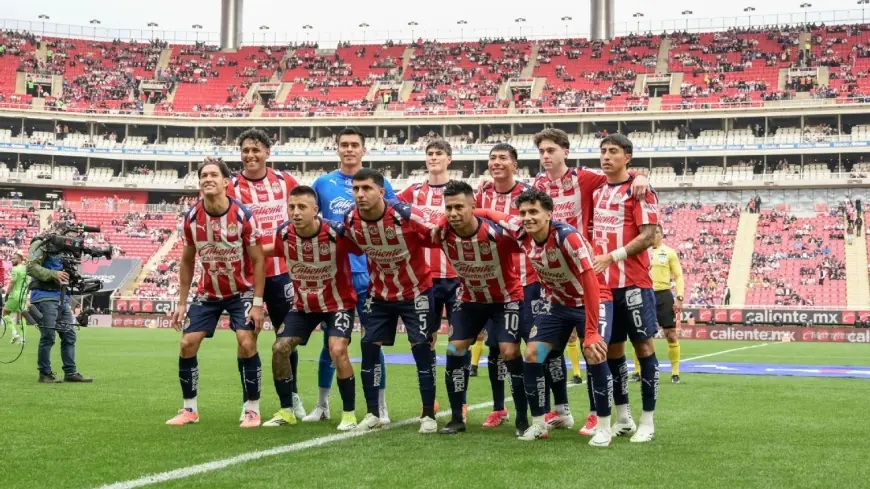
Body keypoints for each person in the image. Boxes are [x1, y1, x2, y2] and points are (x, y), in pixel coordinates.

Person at [532, 128, 649, 435]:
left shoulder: (586, 179)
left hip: (587, 272)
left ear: (565, 152)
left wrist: (639, 175)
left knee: (594, 346)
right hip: (555, 279)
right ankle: (561, 411)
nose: (546, 156)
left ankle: (599, 413)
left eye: (551, 150)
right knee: (547, 350)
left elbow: (618, 175)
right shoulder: (538, 184)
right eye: (542, 151)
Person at [474, 189, 610, 444]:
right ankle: (538, 424)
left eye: (534, 212)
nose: (527, 217)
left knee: (594, 352)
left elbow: (590, 281)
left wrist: (591, 331)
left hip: (592, 299)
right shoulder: (520, 231)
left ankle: (603, 426)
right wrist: (462, 214)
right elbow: (492, 213)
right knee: (533, 354)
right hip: (558, 304)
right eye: (523, 212)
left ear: (549, 214)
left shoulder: (567, 237)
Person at [165, 158, 266, 428]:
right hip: (208, 293)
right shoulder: (191, 217)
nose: (207, 179)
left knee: (246, 342)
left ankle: (251, 409)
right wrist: (182, 302)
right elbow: (187, 261)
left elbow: (258, 261)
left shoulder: (243, 215)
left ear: (226, 182)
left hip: (241, 292)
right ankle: (189, 409)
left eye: (213, 175)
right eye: (203, 176)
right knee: (187, 344)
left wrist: (257, 304)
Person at [343, 168, 438, 434]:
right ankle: (373, 413)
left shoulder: (404, 214)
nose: (360, 194)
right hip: (379, 293)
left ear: (382, 192)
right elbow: (350, 246)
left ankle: (428, 414)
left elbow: (438, 234)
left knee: (421, 348)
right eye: (356, 189)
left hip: (416, 291)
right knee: (368, 346)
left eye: (367, 188)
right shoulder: (350, 219)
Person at [310, 127, 394, 424]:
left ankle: (380, 407)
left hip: (371, 275)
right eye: (344, 145)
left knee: (373, 342)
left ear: (363, 150)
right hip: (334, 276)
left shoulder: (377, 182)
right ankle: (322, 405)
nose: (349, 149)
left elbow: (393, 219)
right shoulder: (322, 184)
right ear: (337, 149)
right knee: (329, 343)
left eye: (354, 145)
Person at [433, 180, 528, 436]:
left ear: (473, 205)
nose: (453, 214)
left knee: (509, 352)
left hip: (505, 300)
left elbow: (524, 229)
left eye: (459, 207)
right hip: (470, 300)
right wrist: (440, 222)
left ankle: (522, 419)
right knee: (454, 350)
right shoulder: (443, 234)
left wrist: (485, 213)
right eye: (449, 208)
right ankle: (456, 418)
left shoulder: (497, 234)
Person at [261, 186, 359, 430]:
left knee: (337, 350)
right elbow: (275, 250)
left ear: (315, 210)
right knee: (279, 347)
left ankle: (349, 414)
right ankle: (287, 411)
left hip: (338, 304)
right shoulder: (283, 233)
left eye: (302, 207)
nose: (295, 212)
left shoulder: (336, 232)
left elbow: (362, 248)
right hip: (304, 306)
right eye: (291, 207)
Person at [226, 128, 305, 420]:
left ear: (267, 153)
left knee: (287, 337)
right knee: (246, 338)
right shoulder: (231, 186)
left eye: (256, 150)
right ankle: (249, 401)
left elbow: (305, 214)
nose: (250, 155)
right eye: (246, 150)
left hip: (283, 274)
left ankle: (292, 396)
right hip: (247, 277)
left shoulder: (286, 182)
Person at [591, 134, 660, 443]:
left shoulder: (640, 191)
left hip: (633, 282)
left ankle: (648, 421)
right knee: (612, 351)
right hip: (604, 287)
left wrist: (613, 256)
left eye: (613, 152)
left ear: (627, 157)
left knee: (644, 347)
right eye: (603, 151)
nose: (606, 156)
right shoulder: (597, 191)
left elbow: (648, 235)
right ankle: (623, 417)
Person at [472, 143, 540, 428]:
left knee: (540, 347)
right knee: (497, 349)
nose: (496, 162)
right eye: (492, 158)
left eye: (503, 158)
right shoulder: (482, 193)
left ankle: (553, 407)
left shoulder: (528, 193)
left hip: (529, 281)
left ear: (515, 165)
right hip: (494, 286)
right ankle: (499, 408)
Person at [398, 139, 459, 412]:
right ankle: (430, 400)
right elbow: (390, 211)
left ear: (449, 159)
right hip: (424, 280)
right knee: (426, 340)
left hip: (457, 277)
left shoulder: (459, 191)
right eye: (430, 154)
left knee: (459, 341)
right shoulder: (412, 192)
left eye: (439, 154)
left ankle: (461, 401)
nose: (434, 158)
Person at [27, 224, 92, 384]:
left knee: (69, 335)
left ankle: (70, 372)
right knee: (48, 336)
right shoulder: (41, 243)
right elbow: (31, 267)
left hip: (61, 297)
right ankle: (45, 373)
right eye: (70, 236)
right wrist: (54, 274)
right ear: (61, 233)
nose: (72, 241)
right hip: (43, 296)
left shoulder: (66, 251)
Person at [633, 225, 684, 384]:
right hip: (644, 293)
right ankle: (638, 371)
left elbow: (679, 275)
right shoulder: (641, 251)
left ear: (661, 234)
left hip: (663, 294)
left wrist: (680, 297)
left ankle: (675, 372)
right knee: (640, 335)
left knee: (671, 334)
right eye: (651, 233)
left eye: (656, 232)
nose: (653, 235)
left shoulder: (669, 252)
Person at [5, 250, 28, 345]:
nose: (12, 260)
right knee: (21, 316)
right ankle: (23, 339)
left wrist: (7, 294)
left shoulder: (15, 269)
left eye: (14, 258)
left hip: (15, 295)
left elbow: (12, 283)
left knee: (5, 313)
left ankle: (14, 333)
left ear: (19, 258)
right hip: (23, 295)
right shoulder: (26, 269)